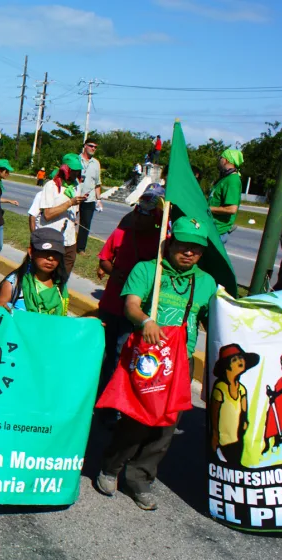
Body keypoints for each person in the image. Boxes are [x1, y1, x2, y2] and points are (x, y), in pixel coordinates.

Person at [96, 216, 218, 510]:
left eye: (196, 248)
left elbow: (212, 320)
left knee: (165, 428)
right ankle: (111, 467)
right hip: (146, 360)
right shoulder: (148, 269)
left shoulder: (206, 282)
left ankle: (140, 479)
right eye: (184, 245)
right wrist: (146, 320)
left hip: (180, 363)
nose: (189, 252)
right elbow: (131, 305)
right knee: (137, 420)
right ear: (171, 242)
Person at [94, 185, 164, 388]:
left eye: (147, 214)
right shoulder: (121, 232)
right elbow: (104, 260)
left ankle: (111, 399)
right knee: (102, 351)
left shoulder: (161, 244)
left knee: (121, 355)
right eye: (138, 212)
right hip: (111, 304)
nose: (140, 217)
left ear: (157, 217)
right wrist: (115, 271)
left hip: (135, 312)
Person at [0, 227, 68, 315]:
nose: (50, 258)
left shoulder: (60, 285)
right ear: (31, 252)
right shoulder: (14, 283)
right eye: (45, 252)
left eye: (56, 253)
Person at [35, 153, 86, 276]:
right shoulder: (51, 186)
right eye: (73, 171)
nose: (75, 174)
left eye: (77, 171)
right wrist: (69, 203)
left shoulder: (76, 187)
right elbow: (47, 214)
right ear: (65, 169)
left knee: (65, 271)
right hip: (52, 236)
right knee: (48, 272)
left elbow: (75, 210)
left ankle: (59, 292)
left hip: (69, 239)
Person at [209, 343, 259, 466]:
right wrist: (215, 435)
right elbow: (214, 413)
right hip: (223, 441)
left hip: (237, 439)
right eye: (234, 359)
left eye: (240, 357)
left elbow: (244, 411)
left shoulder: (242, 389)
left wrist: (245, 423)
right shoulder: (220, 387)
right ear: (227, 366)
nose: (240, 361)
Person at [209, 149, 243, 244]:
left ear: (226, 160)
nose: (219, 160)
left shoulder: (232, 181)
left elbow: (232, 209)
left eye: (221, 158)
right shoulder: (225, 179)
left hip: (218, 231)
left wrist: (208, 208)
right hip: (212, 228)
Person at [77, 139, 102, 254]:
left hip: (89, 198)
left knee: (85, 224)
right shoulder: (77, 159)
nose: (93, 149)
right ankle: (67, 243)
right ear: (85, 146)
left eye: (95, 147)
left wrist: (99, 199)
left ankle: (80, 248)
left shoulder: (96, 163)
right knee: (70, 220)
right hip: (76, 196)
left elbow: (97, 183)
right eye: (91, 146)